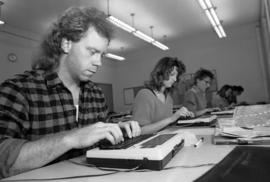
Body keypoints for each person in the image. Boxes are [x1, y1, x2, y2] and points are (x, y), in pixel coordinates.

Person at [0, 7, 141, 178]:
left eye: (102, 55)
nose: (99, 63)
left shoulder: (96, 94)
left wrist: (117, 131)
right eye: (92, 52)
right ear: (66, 44)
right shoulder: (19, 90)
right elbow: (3, 158)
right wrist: (70, 138)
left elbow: (100, 143)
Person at [132, 57, 194, 135]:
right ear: (160, 74)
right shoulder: (144, 95)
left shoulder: (169, 98)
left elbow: (165, 124)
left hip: (163, 138)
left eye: (176, 76)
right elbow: (140, 131)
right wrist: (172, 118)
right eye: (172, 74)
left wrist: (180, 116)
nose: (175, 79)